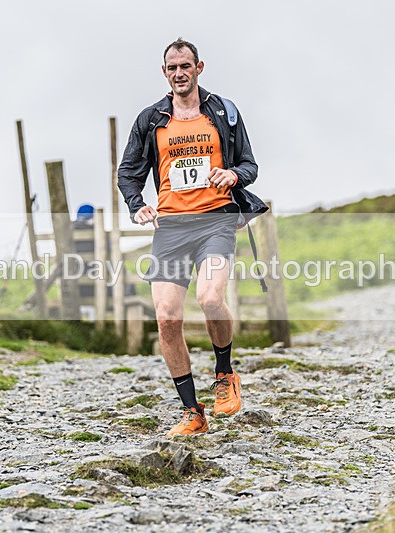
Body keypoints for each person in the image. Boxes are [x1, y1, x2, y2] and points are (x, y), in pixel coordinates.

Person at [118, 38, 266, 437]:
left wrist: (233, 175)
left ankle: (224, 373)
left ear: (199, 67)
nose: (179, 73)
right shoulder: (151, 120)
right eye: (172, 68)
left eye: (186, 66)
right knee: (167, 318)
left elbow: (249, 165)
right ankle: (191, 412)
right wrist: (137, 205)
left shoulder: (223, 112)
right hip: (171, 227)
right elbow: (128, 172)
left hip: (216, 220)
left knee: (210, 298)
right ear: (164, 73)